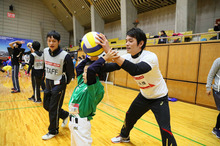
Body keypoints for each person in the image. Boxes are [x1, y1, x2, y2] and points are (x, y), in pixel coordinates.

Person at [96, 27, 177, 146]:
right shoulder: (128, 57)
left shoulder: (150, 57)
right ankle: (124, 136)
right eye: (126, 40)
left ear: (141, 43)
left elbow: (136, 70)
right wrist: (93, 62)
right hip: (144, 96)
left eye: (130, 41)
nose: (127, 44)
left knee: (165, 128)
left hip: (159, 97)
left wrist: (111, 51)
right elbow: (109, 67)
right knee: (129, 116)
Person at [68, 52, 116, 146]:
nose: (83, 74)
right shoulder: (82, 82)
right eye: (84, 71)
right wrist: (90, 57)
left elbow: (91, 71)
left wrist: (104, 58)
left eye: (86, 72)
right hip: (72, 122)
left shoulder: (95, 87)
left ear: (96, 74)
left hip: (81, 125)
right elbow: (78, 68)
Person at [42, 30, 74, 140]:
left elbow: (70, 73)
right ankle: (65, 115)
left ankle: (53, 130)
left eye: (54, 41)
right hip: (48, 82)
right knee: (46, 105)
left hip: (59, 84)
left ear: (58, 42)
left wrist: (64, 83)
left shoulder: (65, 56)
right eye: (49, 41)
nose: (51, 43)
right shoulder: (45, 51)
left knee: (53, 108)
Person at [206, 57, 220, 138]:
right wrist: (208, 87)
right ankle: (216, 129)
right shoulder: (218, 61)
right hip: (218, 90)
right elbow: (211, 74)